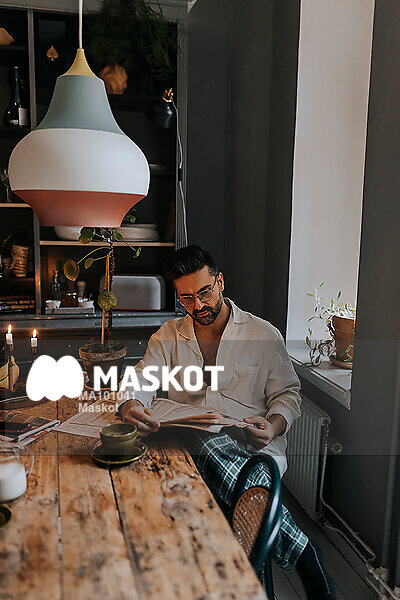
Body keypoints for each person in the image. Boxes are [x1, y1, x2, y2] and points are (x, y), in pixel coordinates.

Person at [119, 245, 336, 600]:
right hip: (195, 448)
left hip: (254, 450)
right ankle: (304, 557)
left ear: (220, 282)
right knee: (204, 440)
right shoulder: (168, 335)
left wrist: (274, 425)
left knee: (215, 457)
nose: (198, 305)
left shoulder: (263, 334)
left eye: (205, 292)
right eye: (187, 298)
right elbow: (141, 381)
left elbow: (288, 394)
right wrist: (131, 404)